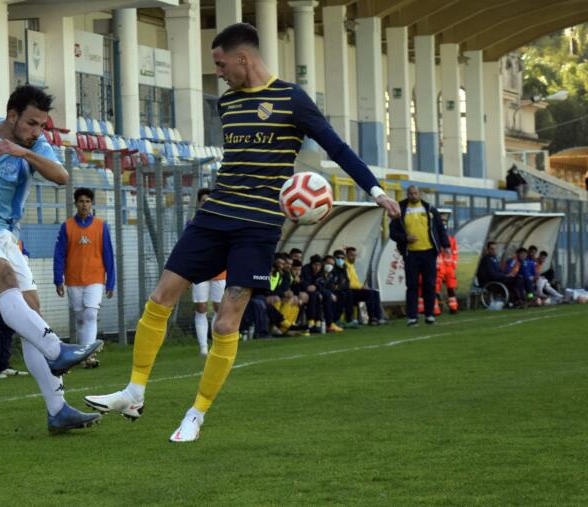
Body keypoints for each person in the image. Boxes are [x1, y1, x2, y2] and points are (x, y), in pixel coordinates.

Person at [84, 22, 399, 443]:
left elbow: (337, 147)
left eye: (220, 63)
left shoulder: (292, 98)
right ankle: (134, 391)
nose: (218, 73)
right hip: (214, 215)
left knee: (226, 322)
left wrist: (375, 191)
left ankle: (196, 414)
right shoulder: (228, 103)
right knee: (160, 296)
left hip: (258, 226)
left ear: (242, 58)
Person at [0, 85, 102, 434]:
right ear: (12, 116)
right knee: (6, 282)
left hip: (4, 234)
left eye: (41, 125)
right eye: (31, 124)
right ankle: (57, 350)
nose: (37, 132)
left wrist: (21, 152)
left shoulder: (35, 146)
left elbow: (62, 177)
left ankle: (58, 411)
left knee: (30, 312)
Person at [53, 187, 115, 369]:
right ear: (76, 203)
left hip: (95, 278)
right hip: (73, 279)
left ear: (92, 204)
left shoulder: (101, 226)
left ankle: (89, 355)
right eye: (81, 201)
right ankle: (83, 353)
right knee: (81, 318)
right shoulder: (67, 226)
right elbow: (59, 254)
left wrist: (110, 281)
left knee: (91, 314)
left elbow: (108, 255)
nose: (84, 205)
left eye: (88, 201)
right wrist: (58, 279)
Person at [389, 185, 450, 326]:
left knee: (429, 285)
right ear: (407, 194)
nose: (413, 196)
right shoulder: (400, 209)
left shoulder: (429, 209)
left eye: (415, 193)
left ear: (420, 194)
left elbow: (440, 229)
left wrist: (446, 246)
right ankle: (412, 317)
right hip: (411, 254)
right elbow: (393, 233)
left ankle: (429, 315)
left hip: (429, 252)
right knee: (412, 286)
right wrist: (405, 238)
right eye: (410, 193)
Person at [0, 239, 31, 379]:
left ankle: (4, 365)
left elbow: (23, 255)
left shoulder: (14, 237)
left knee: (8, 326)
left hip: (13, 288)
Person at [189, 189, 226, 357]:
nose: (206, 202)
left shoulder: (223, 221)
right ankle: (203, 347)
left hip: (219, 269)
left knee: (218, 307)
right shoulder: (193, 222)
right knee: (202, 306)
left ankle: (216, 344)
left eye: (209, 200)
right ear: (199, 202)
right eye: (203, 200)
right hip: (200, 269)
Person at [344, 247, 386, 326]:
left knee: (375, 293)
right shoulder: (345, 266)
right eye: (351, 255)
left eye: (355, 255)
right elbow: (348, 282)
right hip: (350, 291)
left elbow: (354, 281)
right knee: (369, 293)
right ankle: (372, 318)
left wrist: (362, 286)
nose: (354, 257)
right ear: (346, 255)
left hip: (356, 289)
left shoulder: (351, 265)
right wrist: (361, 286)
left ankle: (378, 317)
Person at [432, 218, 459, 315]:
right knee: (435, 289)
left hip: (449, 268)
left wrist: (453, 265)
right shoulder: (434, 239)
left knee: (451, 288)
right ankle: (436, 310)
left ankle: (453, 308)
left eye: (445, 224)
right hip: (438, 267)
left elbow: (455, 253)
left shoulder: (451, 240)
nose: (444, 226)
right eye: (442, 224)